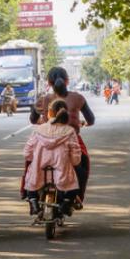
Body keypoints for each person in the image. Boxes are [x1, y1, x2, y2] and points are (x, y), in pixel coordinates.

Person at [30, 66, 94, 203]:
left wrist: (42, 121)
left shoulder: (43, 99)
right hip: (72, 140)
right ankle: (77, 197)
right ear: (67, 81)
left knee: (30, 163)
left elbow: (32, 120)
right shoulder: (78, 98)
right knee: (83, 166)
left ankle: (30, 195)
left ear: (49, 83)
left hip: (45, 140)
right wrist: (83, 123)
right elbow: (91, 120)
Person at [24, 99, 82, 216]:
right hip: (62, 172)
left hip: (39, 171)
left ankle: (33, 201)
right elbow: (76, 157)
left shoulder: (38, 130)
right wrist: (72, 163)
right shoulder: (69, 131)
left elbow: (27, 153)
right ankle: (66, 203)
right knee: (74, 185)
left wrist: (32, 159)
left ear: (49, 113)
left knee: (30, 179)